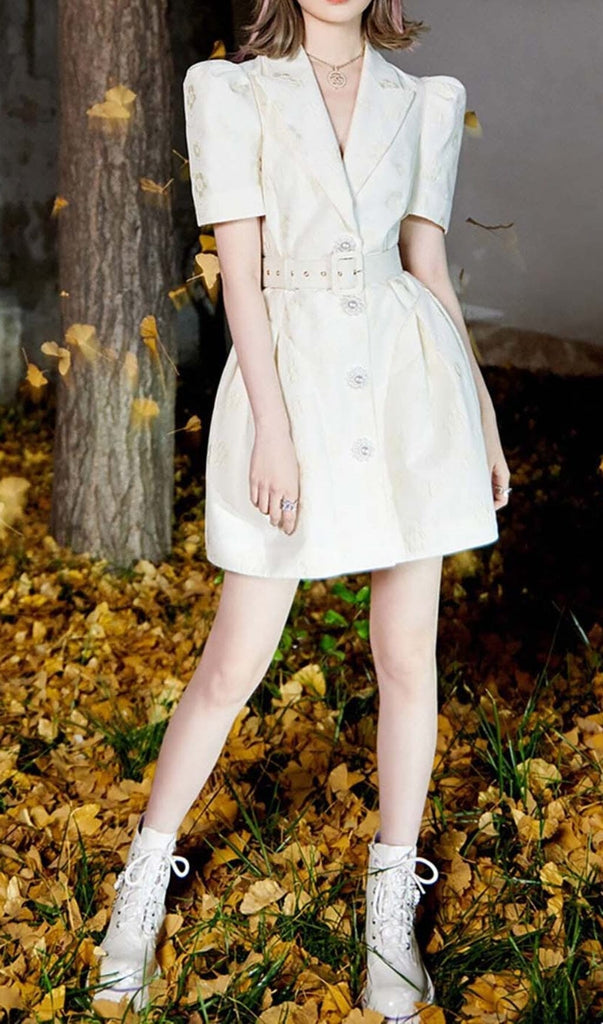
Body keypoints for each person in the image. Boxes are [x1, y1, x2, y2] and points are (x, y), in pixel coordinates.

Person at [96, 0, 511, 1019]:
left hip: (410, 392)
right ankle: (140, 888)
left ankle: (388, 917)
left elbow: (426, 269)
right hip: (291, 382)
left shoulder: (424, 101)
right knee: (232, 663)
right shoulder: (230, 91)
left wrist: (483, 416)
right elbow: (240, 280)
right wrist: (273, 431)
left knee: (406, 659)